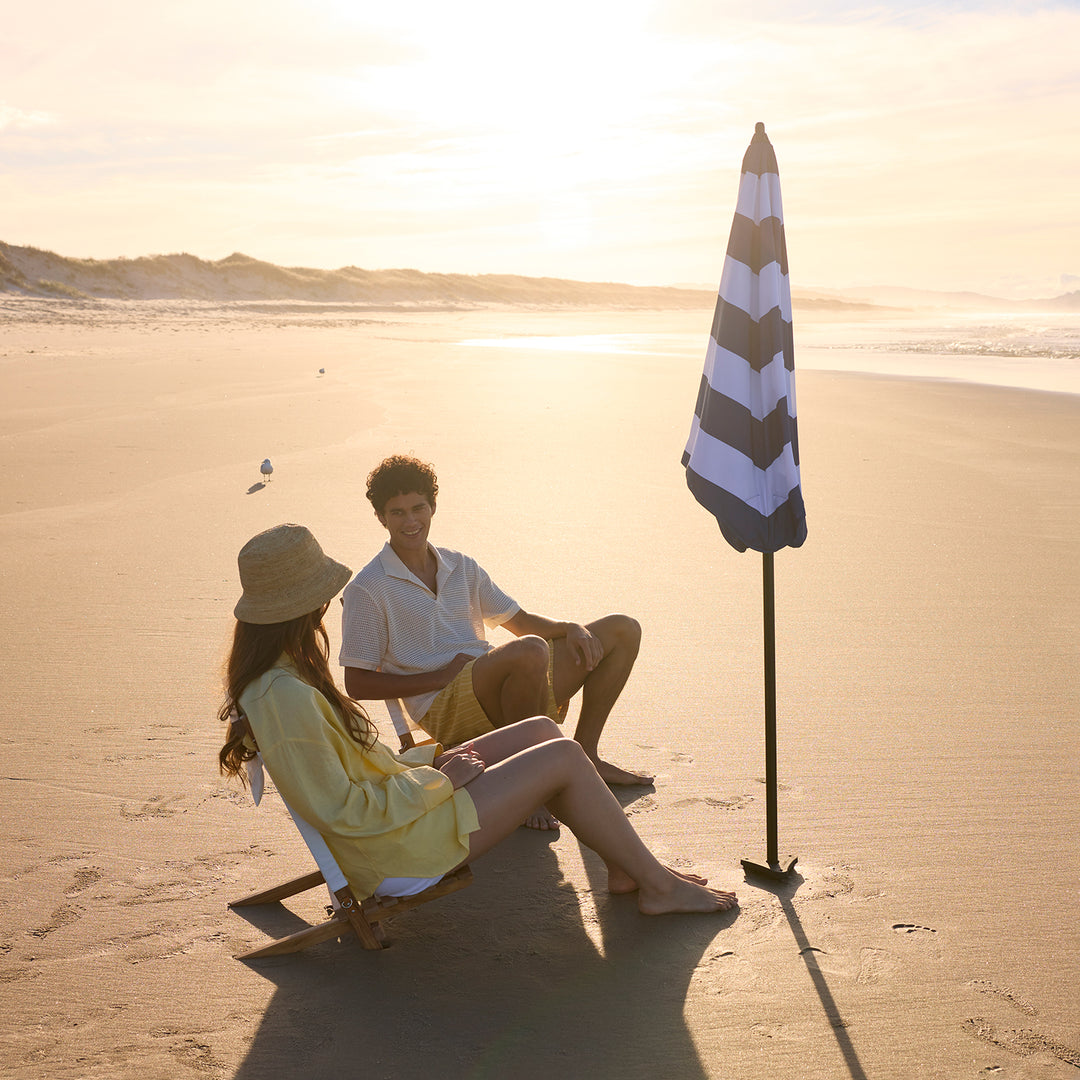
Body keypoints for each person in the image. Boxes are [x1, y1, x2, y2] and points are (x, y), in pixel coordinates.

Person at [218, 523, 737, 917]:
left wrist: (425, 762)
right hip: (398, 849)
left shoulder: (284, 676)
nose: (326, 605)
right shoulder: (284, 697)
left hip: (403, 805)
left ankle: (628, 869)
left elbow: (357, 772)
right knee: (562, 755)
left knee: (541, 731)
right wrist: (439, 780)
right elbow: (343, 810)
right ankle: (658, 887)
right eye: (318, 597)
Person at [339, 456, 652, 810]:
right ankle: (528, 787)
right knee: (530, 651)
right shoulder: (368, 587)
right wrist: (439, 676)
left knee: (623, 630)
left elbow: (519, 621)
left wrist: (571, 628)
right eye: (397, 512)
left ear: (433, 507)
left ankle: (588, 753)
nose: (410, 521)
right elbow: (358, 683)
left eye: (418, 508)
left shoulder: (461, 565)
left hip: (501, 686)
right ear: (381, 517)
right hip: (441, 704)